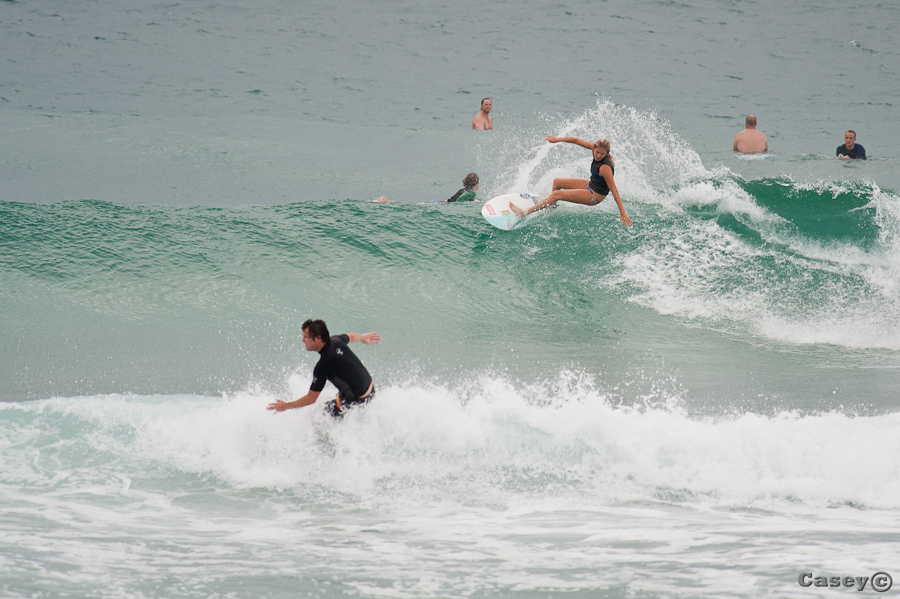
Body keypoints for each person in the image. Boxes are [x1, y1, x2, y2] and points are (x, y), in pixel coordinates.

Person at [508, 136, 632, 227]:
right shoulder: (594, 149)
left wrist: (622, 213)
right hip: (591, 185)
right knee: (557, 182)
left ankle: (524, 213)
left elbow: (614, 190)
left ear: (607, 154)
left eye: (602, 154)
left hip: (595, 196)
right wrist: (557, 140)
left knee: (557, 194)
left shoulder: (605, 168)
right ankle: (552, 204)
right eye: (597, 152)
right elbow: (576, 140)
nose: (598, 155)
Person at [267, 319, 380, 418]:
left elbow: (311, 398)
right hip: (370, 388)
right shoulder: (336, 341)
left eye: (306, 337)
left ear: (318, 338)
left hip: (358, 401)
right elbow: (352, 336)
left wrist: (287, 406)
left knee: (320, 417)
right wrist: (362, 338)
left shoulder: (323, 365)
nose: (303, 340)